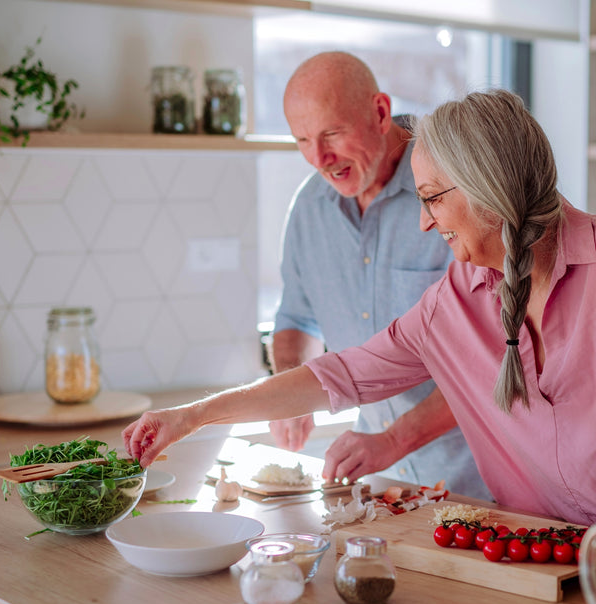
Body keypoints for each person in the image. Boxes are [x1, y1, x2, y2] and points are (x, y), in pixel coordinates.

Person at [123, 88, 596, 526]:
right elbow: (342, 375)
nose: (424, 223)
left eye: (431, 199)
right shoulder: (454, 301)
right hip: (534, 557)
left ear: (485, 186)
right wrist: (190, 417)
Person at [268, 51, 489, 498]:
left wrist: (395, 440)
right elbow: (297, 318)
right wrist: (289, 393)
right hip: (377, 485)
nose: (319, 157)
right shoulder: (308, 210)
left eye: (332, 133)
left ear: (381, 112)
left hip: (477, 480)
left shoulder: (452, 190)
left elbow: (489, 358)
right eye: (302, 140)